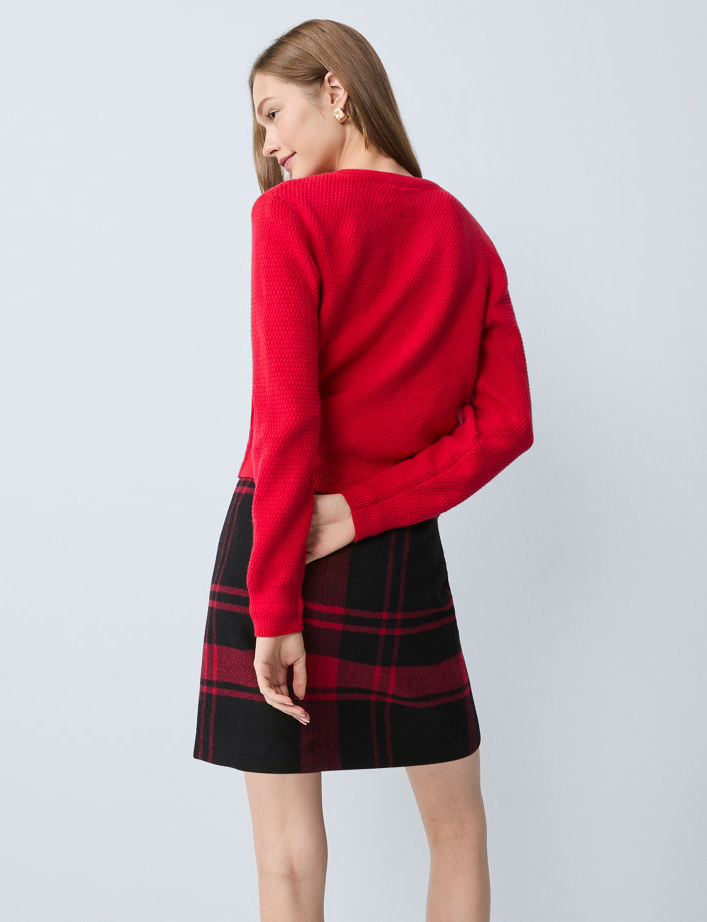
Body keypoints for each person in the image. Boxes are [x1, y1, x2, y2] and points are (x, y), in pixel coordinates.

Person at [193, 18, 534, 922]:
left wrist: (274, 608)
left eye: (274, 113)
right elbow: (506, 426)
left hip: (279, 540)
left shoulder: (289, 218)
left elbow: (289, 422)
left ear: (336, 92)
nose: (269, 144)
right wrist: (368, 509)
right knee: (458, 831)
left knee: (286, 861)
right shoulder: (464, 234)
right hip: (398, 552)